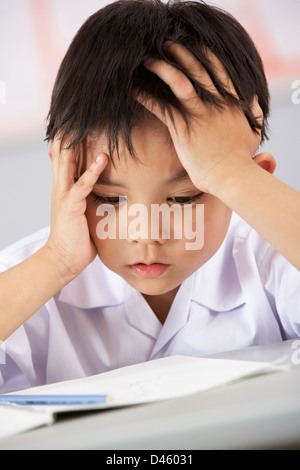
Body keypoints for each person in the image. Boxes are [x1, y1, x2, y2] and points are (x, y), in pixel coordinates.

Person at [0, 0, 299, 393]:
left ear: (248, 184)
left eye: (183, 198)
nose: (146, 235)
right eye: (109, 200)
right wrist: (56, 261)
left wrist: (232, 172)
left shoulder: (269, 257)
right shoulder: (29, 279)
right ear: (66, 176)